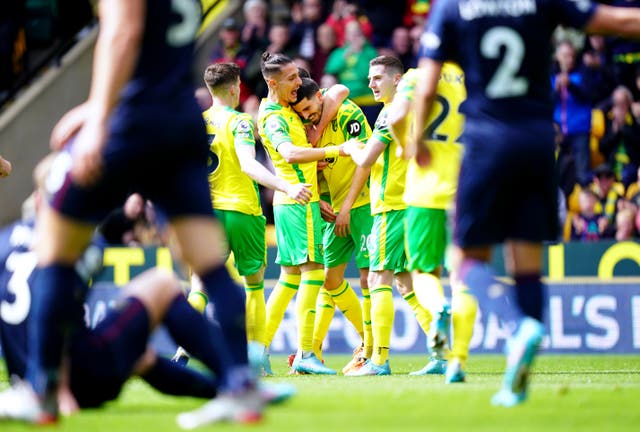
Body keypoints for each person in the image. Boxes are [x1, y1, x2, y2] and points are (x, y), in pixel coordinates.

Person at [0, 0, 258, 424]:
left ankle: (41, 388)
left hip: (133, 125)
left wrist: (99, 117)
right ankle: (240, 384)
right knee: (211, 267)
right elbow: (158, 56)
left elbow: (123, 33)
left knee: (51, 248)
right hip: (179, 121)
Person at [412, 0, 640, 407]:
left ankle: (515, 325)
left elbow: (426, 87)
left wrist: (415, 141)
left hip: (485, 142)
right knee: (528, 265)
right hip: (538, 142)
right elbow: (618, 20)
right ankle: (517, 380)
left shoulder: (451, 8)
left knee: (465, 256)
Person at [0, 154, 293, 422]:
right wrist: (56, 391)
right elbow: (55, 312)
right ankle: (237, 382)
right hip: (68, 376)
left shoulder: (6, 239)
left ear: (38, 200)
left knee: (139, 356)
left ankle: (223, 390)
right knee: (161, 283)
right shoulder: (82, 244)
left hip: (24, 378)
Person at [177, 62, 312, 376]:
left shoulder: (197, 124)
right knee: (254, 286)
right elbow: (249, 165)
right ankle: (256, 358)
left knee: (199, 286)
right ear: (236, 87)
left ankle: (183, 350)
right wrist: (286, 185)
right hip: (243, 211)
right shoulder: (239, 122)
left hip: (208, 214)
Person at [257, 52, 346, 375]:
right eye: (292, 78)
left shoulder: (281, 109)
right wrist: (337, 150)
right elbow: (290, 153)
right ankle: (306, 352)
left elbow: (338, 91)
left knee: (289, 279)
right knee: (313, 272)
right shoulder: (274, 117)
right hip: (297, 202)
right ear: (272, 83)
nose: (299, 83)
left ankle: (258, 350)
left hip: (294, 201)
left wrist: (315, 162)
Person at [387, 63, 477, 382]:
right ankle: (458, 362)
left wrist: (404, 143)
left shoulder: (417, 76)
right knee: (464, 278)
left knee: (424, 272)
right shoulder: (474, 75)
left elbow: (396, 117)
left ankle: (438, 308)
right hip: (467, 191)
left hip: (425, 192)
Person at [290, 77, 373, 373]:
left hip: (365, 205)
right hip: (335, 209)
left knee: (369, 279)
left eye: (309, 108)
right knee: (330, 280)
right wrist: (324, 200)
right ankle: (317, 350)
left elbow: (366, 162)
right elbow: (321, 171)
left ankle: (370, 351)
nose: (307, 115)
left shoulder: (348, 113)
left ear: (320, 95)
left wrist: (347, 207)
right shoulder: (307, 127)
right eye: (302, 112)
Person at [342, 55, 417, 376]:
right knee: (406, 283)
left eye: (377, 78)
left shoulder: (391, 112)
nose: (370, 84)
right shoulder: (414, 109)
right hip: (411, 203)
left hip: (390, 206)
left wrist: (349, 146)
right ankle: (443, 354)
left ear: (397, 79)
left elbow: (367, 158)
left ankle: (379, 361)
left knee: (377, 278)